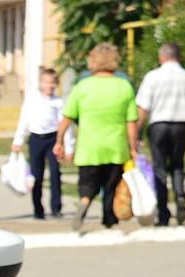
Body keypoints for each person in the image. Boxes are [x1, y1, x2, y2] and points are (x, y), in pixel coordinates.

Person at [54, 43, 139, 232]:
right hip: (116, 146)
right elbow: (131, 122)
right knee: (111, 185)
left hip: (89, 147)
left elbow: (66, 118)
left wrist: (59, 142)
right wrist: (133, 148)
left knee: (87, 183)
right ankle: (109, 219)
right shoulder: (124, 86)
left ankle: (85, 201)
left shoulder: (82, 86)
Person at [135, 42, 185, 226]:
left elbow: (142, 108)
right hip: (181, 127)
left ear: (161, 57)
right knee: (178, 165)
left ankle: (163, 213)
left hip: (158, 127)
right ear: (179, 57)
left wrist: (137, 132)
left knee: (159, 168)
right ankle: (180, 195)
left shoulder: (152, 77)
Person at [12, 68, 74, 219]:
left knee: (55, 173)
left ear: (56, 84)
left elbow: (65, 125)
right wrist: (18, 141)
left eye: (52, 83)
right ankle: (38, 209)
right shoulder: (32, 99)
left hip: (53, 140)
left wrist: (68, 146)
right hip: (36, 139)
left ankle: (56, 207)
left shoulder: (59, 102)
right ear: (40, 83)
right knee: (36, 175)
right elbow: (24, 120)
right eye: (46, 82)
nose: (49, 86)